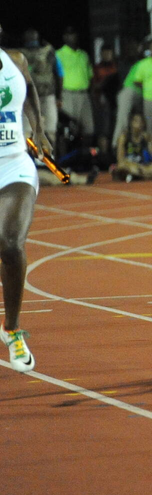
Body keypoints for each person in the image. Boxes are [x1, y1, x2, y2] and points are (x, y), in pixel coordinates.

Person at [0, 21, 53, 372]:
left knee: (10, 243)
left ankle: (12, 329)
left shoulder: (15, 60)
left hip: (15, 163)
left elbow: (30, 91)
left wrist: (40, 130)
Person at [56, 27, 95, 145]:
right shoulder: (59, 54)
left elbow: (90, 76)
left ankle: (85, 158)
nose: (72, 37)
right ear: (64, 37)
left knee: (88, 129)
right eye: (68, 34)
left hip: (83, 94)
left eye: (73, 34)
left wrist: (92, 95)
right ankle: (64, 161)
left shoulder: (83, 55)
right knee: (67, 130)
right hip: (67, 94)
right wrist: (58, 97)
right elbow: (55, 77)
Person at [112, 111, 152, 181]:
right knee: (122, 166)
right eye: (136, 121)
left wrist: (150, 142)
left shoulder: (146, 137)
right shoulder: (124, 137)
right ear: (131, 123)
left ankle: (141, 176)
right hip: (130, 166)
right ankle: (149, 176)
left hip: (144, 166)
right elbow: (120, 159)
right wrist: (133, 166)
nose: (139, 124)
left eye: (141, 122)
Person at [20, 30, 58, 145]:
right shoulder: (20, 55)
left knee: (50, 132)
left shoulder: (48, 52)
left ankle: (50, 161)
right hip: (28, 99)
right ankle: (29, 160)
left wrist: (58, 96)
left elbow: (58, 73)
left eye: (33, 38)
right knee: (26, 133)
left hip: (46, 96)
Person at [90, 46, 120, 158]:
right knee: (103, 131)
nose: (107, 55)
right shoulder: (97, 68)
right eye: (104, 53)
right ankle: (103, 157)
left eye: (109, 53)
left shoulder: (116, 67)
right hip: (103, 102)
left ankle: (114, 155)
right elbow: (94, 85)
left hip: (115, 102)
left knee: (114, 129)